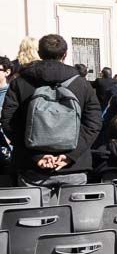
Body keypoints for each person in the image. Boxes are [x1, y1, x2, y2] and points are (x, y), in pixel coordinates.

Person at [0, 34, 102, 201]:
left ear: (39, 53)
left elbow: (9, 122)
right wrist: (70, 156)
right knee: (75, 221)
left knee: (33, 222)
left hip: (32, 168)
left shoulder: (20, 82)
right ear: (65, 54)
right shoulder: (81, 83)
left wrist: (36, 156)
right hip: (74, 166)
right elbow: (94, 123)